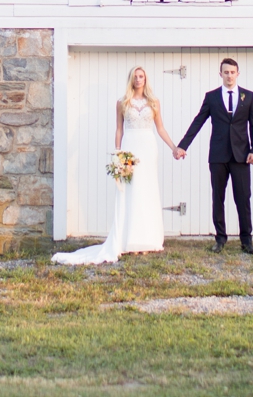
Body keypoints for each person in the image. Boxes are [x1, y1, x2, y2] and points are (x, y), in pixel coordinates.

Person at [52, 65, 181, 265]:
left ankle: (148, 239)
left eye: (141, 76)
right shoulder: (122, 102)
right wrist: (118, 153)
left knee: (147, 191)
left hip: (148, 148)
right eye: (135, 76)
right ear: (131, 79)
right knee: (129, 192)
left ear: (145, 79)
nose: (138, 79)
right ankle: (128, 239)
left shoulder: (154, 102)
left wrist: (174, 147)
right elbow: (119, 129)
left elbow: (160, 128)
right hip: (130, 148)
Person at [178, 56, 253, 253]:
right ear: (220, 74)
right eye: (226, 72)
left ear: (238, 74)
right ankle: (220, 239)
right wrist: (183, 146)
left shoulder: (248, 96)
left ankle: (246, 240)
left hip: (241, 156)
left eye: (232, 72)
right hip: (218, 156)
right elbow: (198, 121)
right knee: (218, 197)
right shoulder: (212, 97)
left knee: (243, 198)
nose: (229, 76)